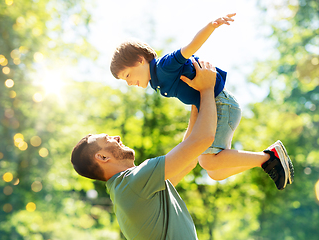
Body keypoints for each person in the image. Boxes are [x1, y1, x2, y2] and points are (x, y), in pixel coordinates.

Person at [71, 60, 293, 239]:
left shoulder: (131, 190)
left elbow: (188, 160)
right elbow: (203, 139)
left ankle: (267, 158)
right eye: (108, 139)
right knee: (211, 165)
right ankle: (268, 157)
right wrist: (206, 90)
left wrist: (196, 102)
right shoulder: (132, 183)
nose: (116, 137)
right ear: (102, 156)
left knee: (212, 168)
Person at [109, 14, 294, 190]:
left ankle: (269, 158)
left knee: (207, 161)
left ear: (141, 60)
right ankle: (267, 159)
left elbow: (190, 47)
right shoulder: (156, 82)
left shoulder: (164, 66)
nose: (129, 82)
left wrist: (212, 25)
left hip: (221, 104)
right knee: (216, 173)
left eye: (128, 75)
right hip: (212, 107)